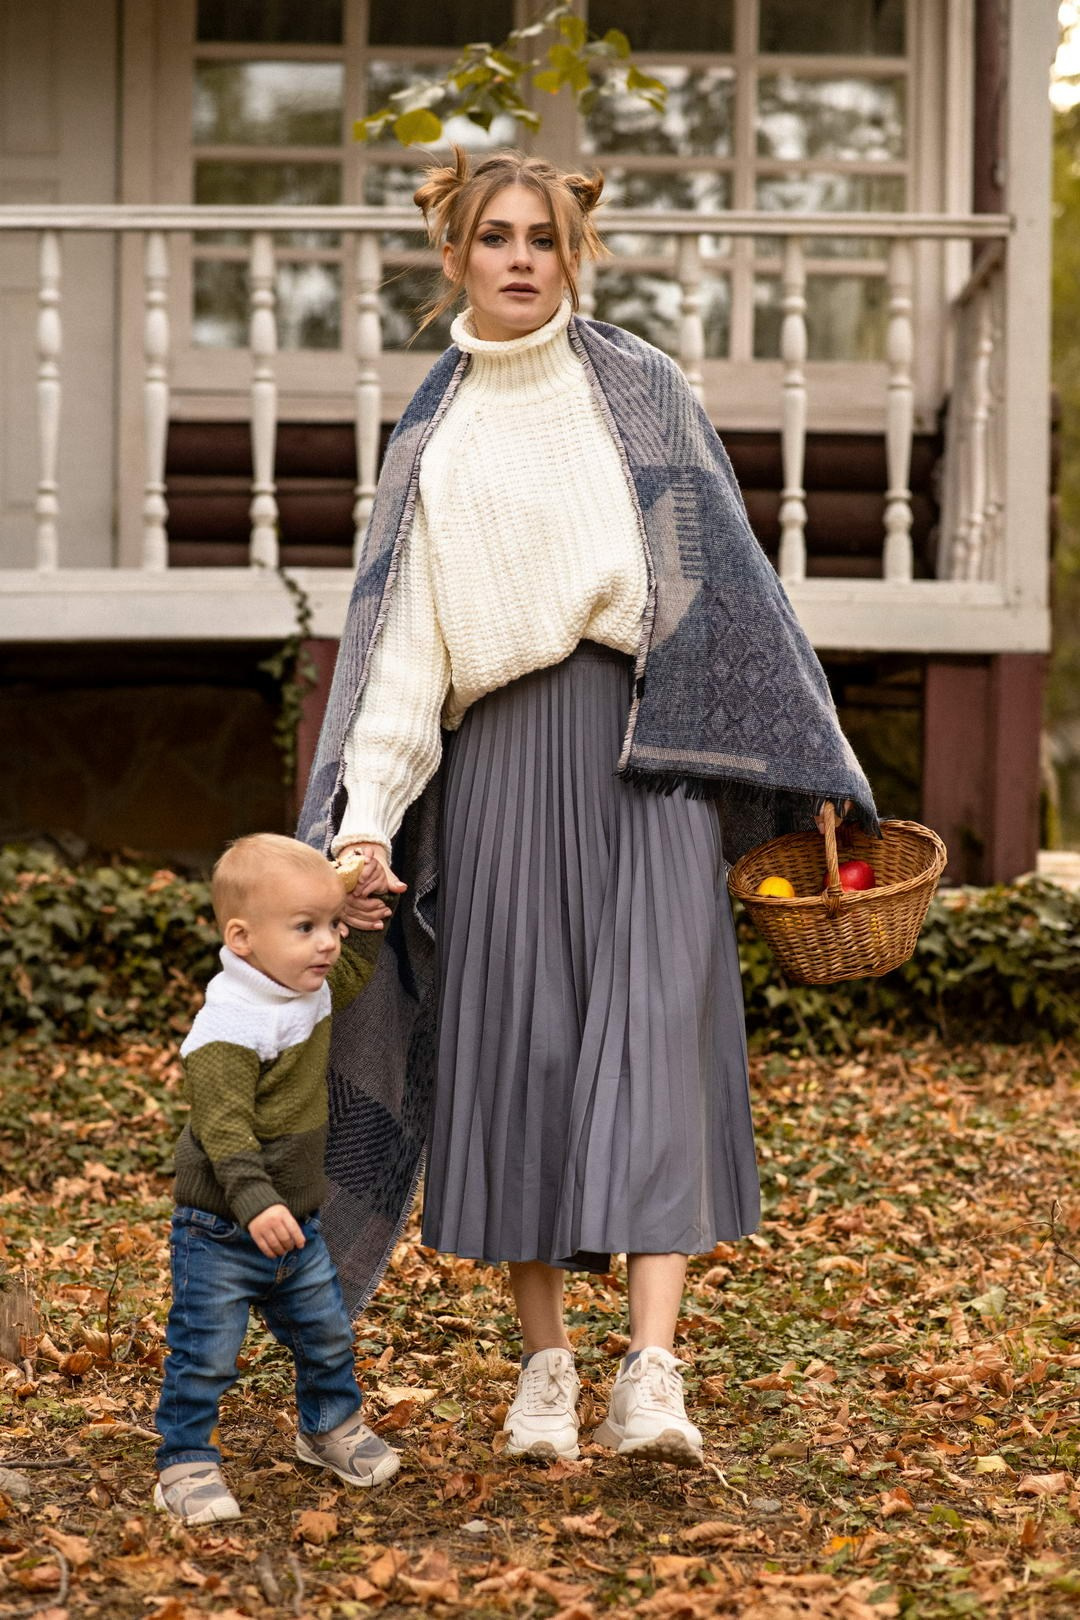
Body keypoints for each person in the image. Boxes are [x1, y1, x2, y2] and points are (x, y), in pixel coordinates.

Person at [297, 148, 878, 1470]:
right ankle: (547, 1372)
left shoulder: (642, 396)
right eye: (492, 236)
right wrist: (367, 819)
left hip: (648, 753)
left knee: (663, 1041)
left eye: (541, 239)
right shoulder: (434, 437)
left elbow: (730, 596)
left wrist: (791, 762)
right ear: (453, 257)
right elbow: (404, 655)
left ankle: (655, 1377)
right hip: (498, 763)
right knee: (525, 1054)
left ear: (574, 255)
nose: (518, 258)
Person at [152, 833, 399, 1525]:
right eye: (306, 928)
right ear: (243, 936)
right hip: (223, 1226)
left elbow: (347, 977)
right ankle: (184, 1463)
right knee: (207, 1352)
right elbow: (221, 1130)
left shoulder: (302, 983)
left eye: (329, 925)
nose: (326, 943)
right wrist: (255, 1203)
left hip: (295, 1221)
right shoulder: (229, 1022)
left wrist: (365, 911)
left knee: (325, 1334)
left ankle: (328, 1428)